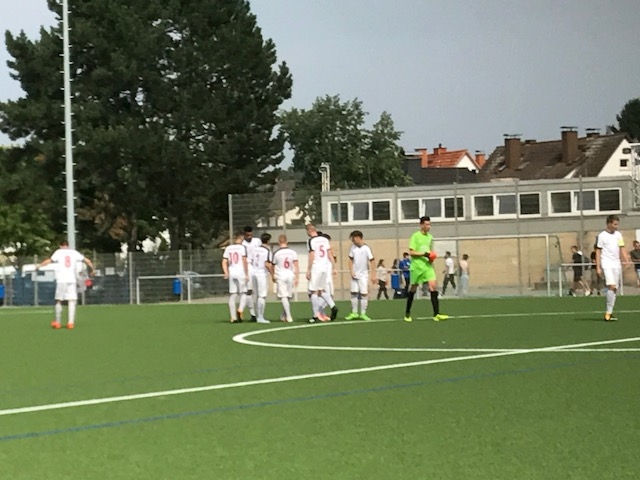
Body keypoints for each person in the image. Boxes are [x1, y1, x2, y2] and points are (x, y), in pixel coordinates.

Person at [36, 240, 95, 329]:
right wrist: (93, 269)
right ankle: (70, 323)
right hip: (72, 280)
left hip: (62, 279)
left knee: (59, 300)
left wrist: (39, 266)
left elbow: (49, 260)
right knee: (71, 300)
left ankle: (58, 322)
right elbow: (87, 260)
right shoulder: (74, 252)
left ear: (60, 246)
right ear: (68, 245)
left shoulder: (59, 252)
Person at [404, 216, 448, 322]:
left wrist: (431, 257)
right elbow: (411, 252)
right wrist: (424, 254)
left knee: (433, 286)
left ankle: (436, 314)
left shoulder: (430, 237)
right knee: (413, 289)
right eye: (427, 224)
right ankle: (407, 313)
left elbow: (430, 251)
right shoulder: (415, 236)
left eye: (429, 224)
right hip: (417, 267)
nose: (429, 226)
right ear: (421, 225)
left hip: (427, 266)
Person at [595, 214, 630, 322]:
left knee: (614, 289)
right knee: (612, 286)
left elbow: (622, 248)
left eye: (617, 224)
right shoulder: (602, 236)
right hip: (606, 263)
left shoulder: (618, 235)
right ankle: (608, 313)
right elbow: (598, 251)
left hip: (616, 264)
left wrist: (626, 260)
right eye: (614, 224)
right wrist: (598, 267)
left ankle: (609, 312)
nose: (616, 226)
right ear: (609, 224)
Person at [306, 223, 338, 323]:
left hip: (316, 267)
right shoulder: (325, 239)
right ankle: (333, 306)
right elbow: (329, 254)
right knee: (321, 290)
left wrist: (309, 269)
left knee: (314, 292)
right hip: (325, 268)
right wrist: (334, 267)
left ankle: (315, 315)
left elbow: (312, 254)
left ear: (309, 230)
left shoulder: (311, 240)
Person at [345, 230, 376, 320]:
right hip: (355, 274)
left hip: (363, 275)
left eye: (353, 239)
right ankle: (354, 312)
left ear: (358, 238)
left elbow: (372, 261)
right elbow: (350, 260)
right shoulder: (353, 248)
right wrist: (351, 271)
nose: (353, 241)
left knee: (364, 293)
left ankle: (363, 313)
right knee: (354, 293)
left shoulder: (366, 248)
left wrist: (373, 274)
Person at [222, 232, 249, 323]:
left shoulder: (228, 248)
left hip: (232, 273)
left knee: (233, 295)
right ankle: (240, 309)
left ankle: (233, 317)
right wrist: (246, 273)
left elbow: (224, 261)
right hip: (240, 272)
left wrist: (226, 272)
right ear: (242, 239)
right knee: (244, 293)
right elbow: (244, 260)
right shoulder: (242, 248)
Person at [271, 234, 299, 323]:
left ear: (278, 242)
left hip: (281, 275)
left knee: (283, 296)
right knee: (288, 296)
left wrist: (273, 275)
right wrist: (297, 277)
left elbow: (272, 265)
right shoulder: (293, 252)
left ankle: (288, 316)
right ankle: (284, 315)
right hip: (290, 275)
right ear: (287, 241)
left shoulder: (276, 253)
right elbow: (296, 265)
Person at [251, 233, 273, 324]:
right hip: (261, 274)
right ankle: (260, 317)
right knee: (262, 296)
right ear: (268, 241)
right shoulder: (267, 251)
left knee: (257, 296)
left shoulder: (254, 249)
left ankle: (257, 315)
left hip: (254, 273)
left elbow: (251, 261)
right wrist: (273, 274)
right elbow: (267, 264)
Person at [242, 226, 262, 322]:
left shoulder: (257, 241)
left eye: (251, 235)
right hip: (249, 267)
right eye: (247, 235)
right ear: (244, 234)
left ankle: (260, 314)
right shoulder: (242, 244)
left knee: (259, 292)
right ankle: (252, 314)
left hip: (258, 267)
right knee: (249, 291)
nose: (249, 237)